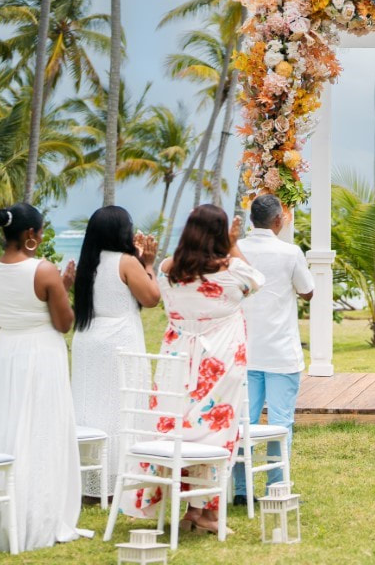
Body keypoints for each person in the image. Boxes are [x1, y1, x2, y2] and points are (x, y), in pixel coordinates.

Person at [116, 204, 264, 534]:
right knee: (214, 435)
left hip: (177, 359)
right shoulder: (231, 269)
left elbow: (160, 293)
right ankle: (205, 512)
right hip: (221, 361)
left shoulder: (170, 268)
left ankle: (192, 510)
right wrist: (235, 244)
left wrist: (150, 264)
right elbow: (257, 281)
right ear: (220, 234)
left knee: (177, 431)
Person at [0, 204, 82, 552]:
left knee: (5, 426)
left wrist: (55, 289)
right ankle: (36, 517)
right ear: (31, 235)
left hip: (5, 351)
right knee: (40, 428)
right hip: (40, 353)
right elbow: (64, 323)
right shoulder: (44, 270)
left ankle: (0, 515)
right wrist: (63, 287)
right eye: (42, 231)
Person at [70, 206, 161, 501]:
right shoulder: (126, 262)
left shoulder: (87, 262)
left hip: (88, 340)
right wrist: (148, 263)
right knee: (122, 407)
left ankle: (89, 482)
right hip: (119, 341)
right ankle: (119, 480)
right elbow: (151, 298)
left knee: (90, 407)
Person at [232, 194, 314, 504]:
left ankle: (241, 491)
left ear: (251, 219)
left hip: (245, 351)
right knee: (281, 424)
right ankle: (276, 489)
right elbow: (307, 292)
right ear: (278, 221)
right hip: (280, 351)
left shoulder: (238, 251)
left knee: (245, 424)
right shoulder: (290, 252)